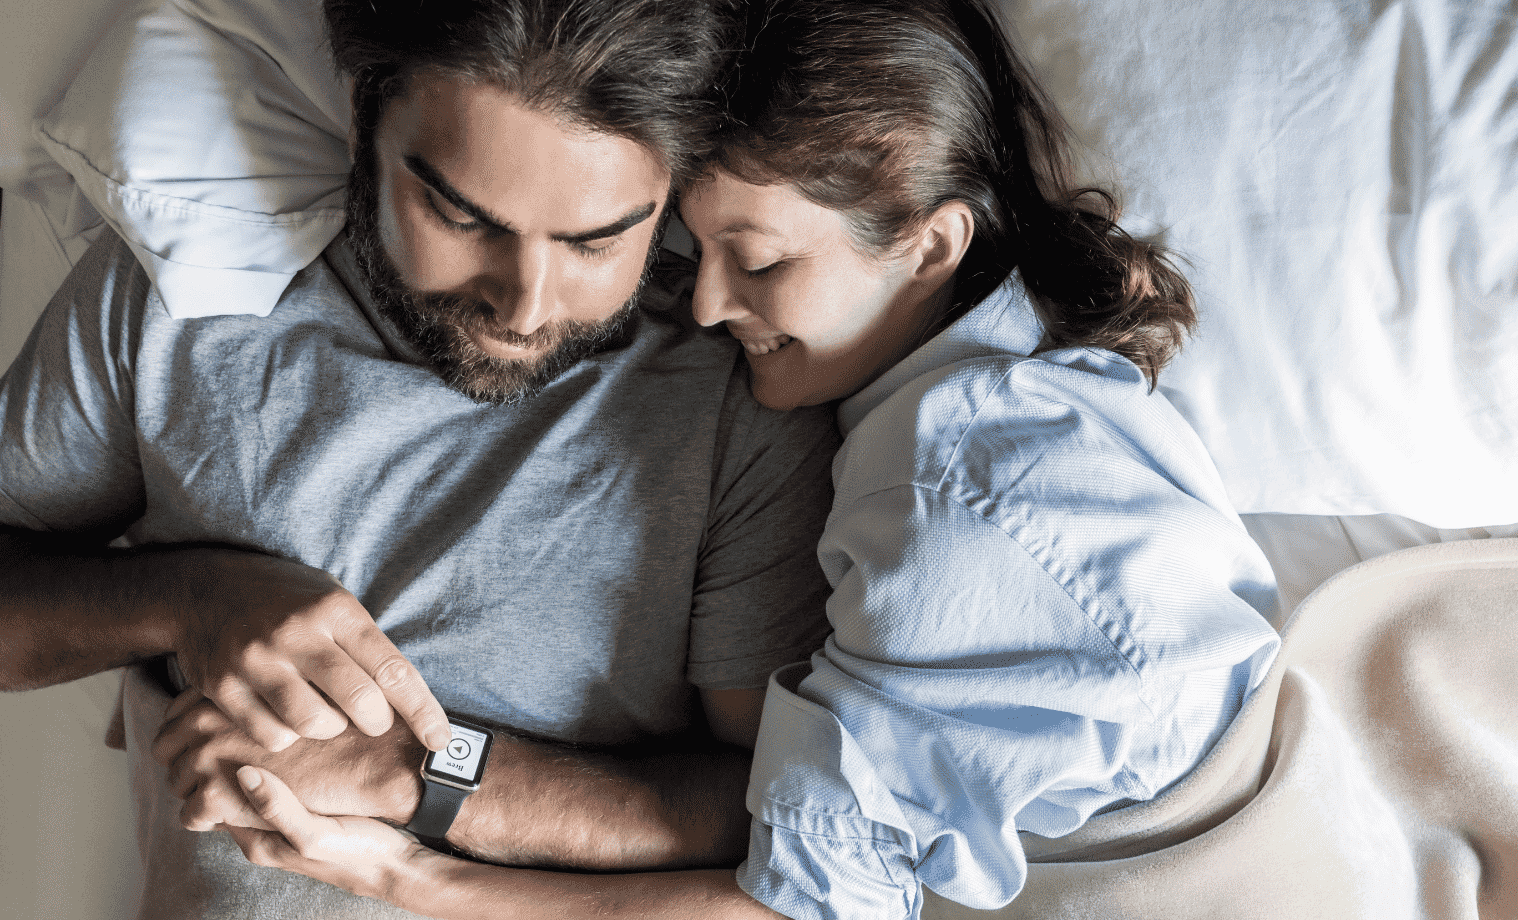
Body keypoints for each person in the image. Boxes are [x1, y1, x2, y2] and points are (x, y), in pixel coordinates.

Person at [209, 0, 1283, 917]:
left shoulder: (950, 494)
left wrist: (412, 869)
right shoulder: (1023, 380)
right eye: (695, 246)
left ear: (930, 243)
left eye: (759, 261)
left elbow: (798, 905)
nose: (710, 303)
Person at [0, 0, 839, 917]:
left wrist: (417, 772)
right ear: (366, 114)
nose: (525, 307)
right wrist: (186, 599)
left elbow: (783, 819)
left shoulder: (740, 394)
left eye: (595, 241)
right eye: (462, 215)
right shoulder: (184, 301)